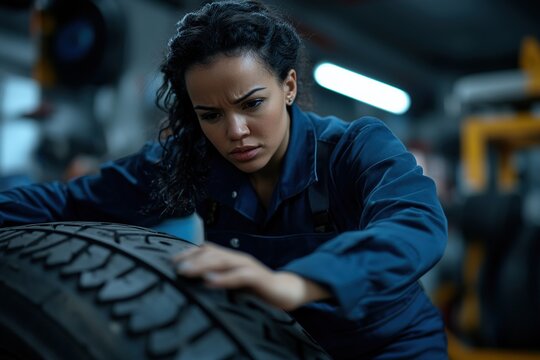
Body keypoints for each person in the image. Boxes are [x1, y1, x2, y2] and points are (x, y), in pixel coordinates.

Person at [0, 0, 448, 358]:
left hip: (391, 344)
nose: (234, 133)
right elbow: (66, 203)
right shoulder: (191, 159)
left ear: (289, 86)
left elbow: (414, 224)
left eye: (252, 104)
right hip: (278, 343)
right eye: (210, 115)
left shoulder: (355, 148)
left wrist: (300, 283)